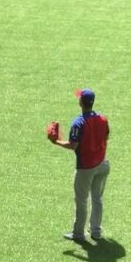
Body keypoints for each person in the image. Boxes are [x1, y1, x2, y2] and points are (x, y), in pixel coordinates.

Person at [50, 89, 110, 242]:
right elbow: (106, 136)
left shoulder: (79, 122)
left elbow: (73, 145)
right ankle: (96, 231)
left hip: (86, 167)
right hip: (103, 163)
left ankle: (78, 233)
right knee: (97, 198)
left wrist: (56, 142)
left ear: (81, 102)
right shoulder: (103, 119)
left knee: (82, 200)